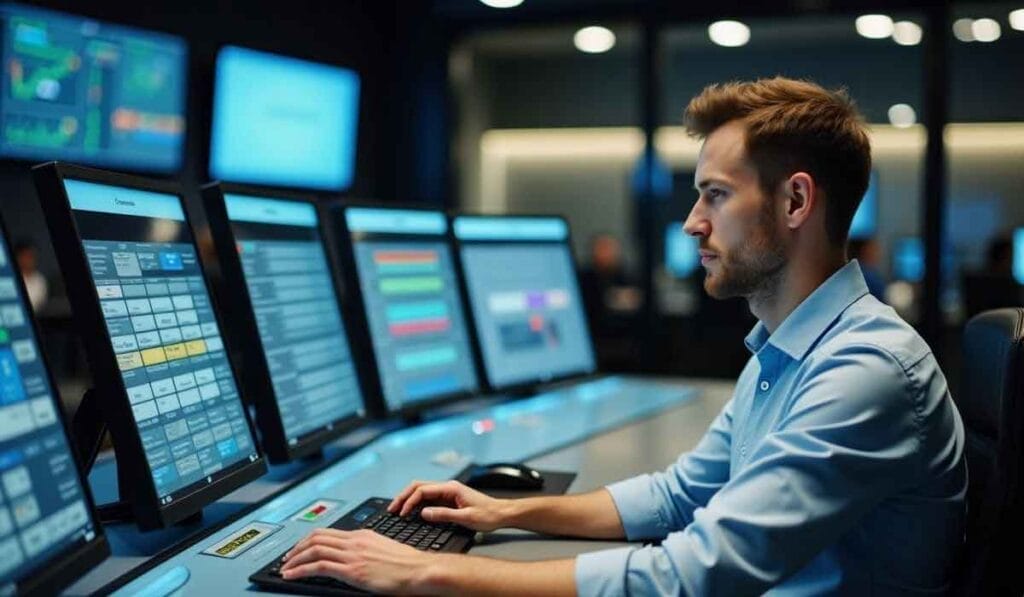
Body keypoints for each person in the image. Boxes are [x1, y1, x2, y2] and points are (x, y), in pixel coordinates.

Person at [279, 77, 966, 595]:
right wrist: (504, 510)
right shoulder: (790, 346)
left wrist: (426, 570)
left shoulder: (863, 370)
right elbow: (679, 496)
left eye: (715, 195)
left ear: (794, 202)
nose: (693, 222)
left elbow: (686, 574)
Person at [14, 241, 48, 311]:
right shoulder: (9, 279)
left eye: (32, 256)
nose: (30, 260)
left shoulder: (40, 280)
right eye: (27, 256)